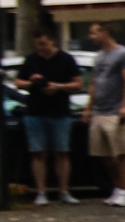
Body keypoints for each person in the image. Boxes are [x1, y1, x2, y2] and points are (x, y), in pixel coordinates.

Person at [12, 30, 82, 205]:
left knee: (62, 153)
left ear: (52, 41)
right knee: (38, 153)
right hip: (35, 112)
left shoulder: (66, 59)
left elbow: (78, 83)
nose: (40, 49)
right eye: (37, 45)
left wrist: (59, 87)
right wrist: (32, 82)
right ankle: (41, 192)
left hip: (60, 112)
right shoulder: (31, 59)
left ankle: (64, 191)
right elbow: (18, 82)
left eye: (43, 44)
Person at [84, 21, 125, 206]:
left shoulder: (123, 54)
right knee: (106, 156)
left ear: (105, 32)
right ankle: (117, 188)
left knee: (122, 152)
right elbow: (94, 82)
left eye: (94, 33)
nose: (91, 37)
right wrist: (88, 107)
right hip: (100, 110)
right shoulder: (99, 56)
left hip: (115, 111)